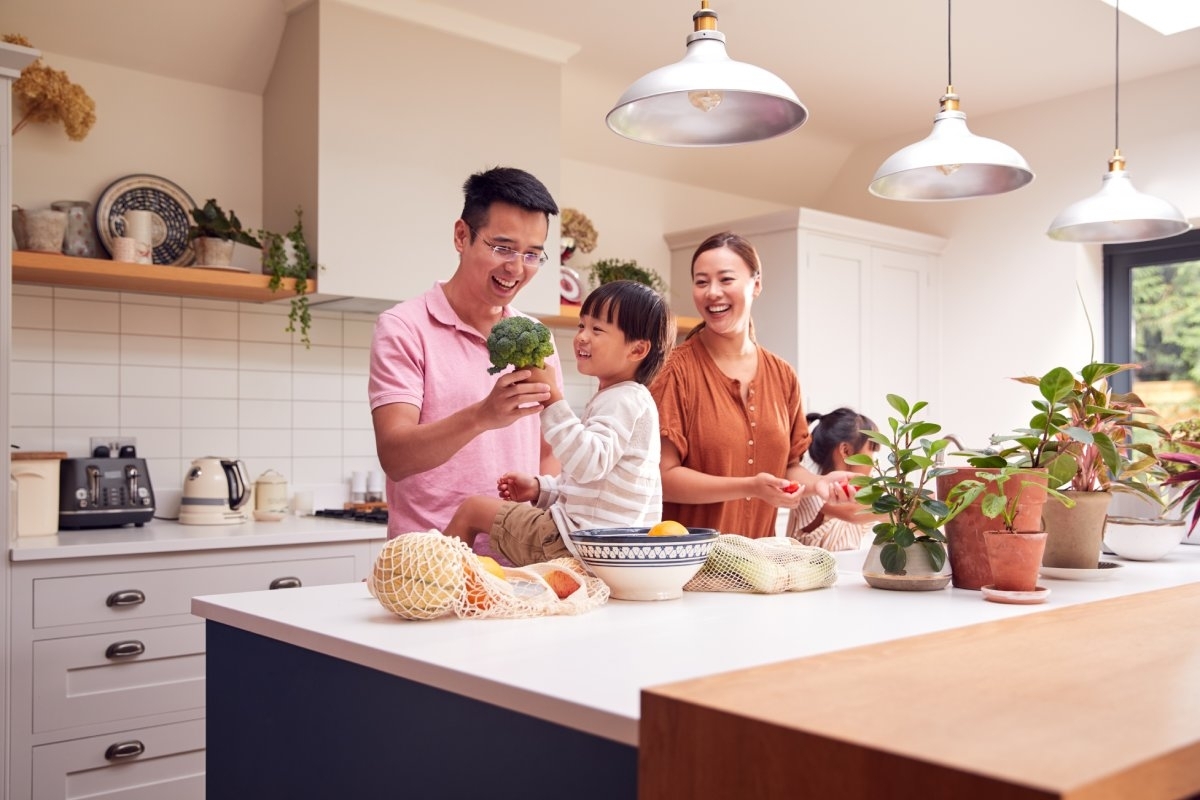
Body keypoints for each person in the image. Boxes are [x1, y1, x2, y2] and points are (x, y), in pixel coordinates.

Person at [369, 166, 563, 544]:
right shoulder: (404, 328)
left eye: (532, 254)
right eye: (503, 248)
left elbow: (549, 449)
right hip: (431, 564)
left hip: (518, 566)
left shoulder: (536, 338)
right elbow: (395, 456)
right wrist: (481, 416)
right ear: (462, 236)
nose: (516, 268)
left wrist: (532, 518)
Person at [442, 280, 674, 566]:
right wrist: (541, 489)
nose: (582, 337)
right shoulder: (627, 399)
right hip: (609, 553)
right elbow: (596, 490)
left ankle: (425, 582)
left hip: (571, 543)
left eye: (597, 329)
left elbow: (588, 464)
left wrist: (553, 399)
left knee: (471, 510)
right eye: (581, 326)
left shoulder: (622, 400)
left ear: (637, 351)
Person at [649, 231, 855, 539]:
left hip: (759, 564)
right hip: (688, 568)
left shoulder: (783, 375)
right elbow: (661, 480)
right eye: (701, 282)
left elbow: (787, 468)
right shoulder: (673, 372)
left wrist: (818, 485)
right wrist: (748, 486)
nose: (712, 292)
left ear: (756, 284)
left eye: (726, 279)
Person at [787, 408, 881, 550]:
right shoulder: (813, 490)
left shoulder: (862, 492)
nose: (874, 462)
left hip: (845, 571)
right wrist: (904, 505)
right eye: (871, 451)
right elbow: (852, 511)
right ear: (846, 451)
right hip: (807, 571)